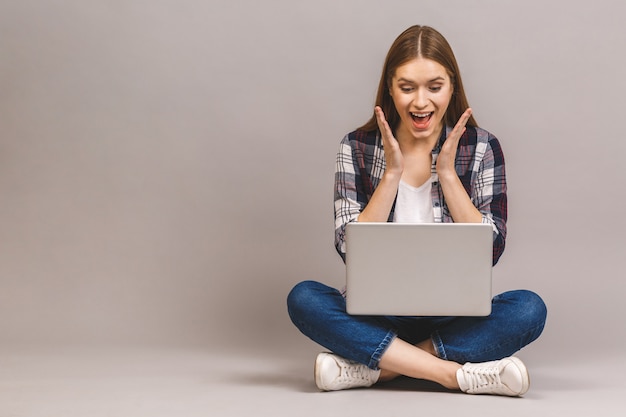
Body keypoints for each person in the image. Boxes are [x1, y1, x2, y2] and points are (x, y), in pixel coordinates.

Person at [286, 25, 547, 397]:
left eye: (434, 87)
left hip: (454, 316)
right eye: (407, 88)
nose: (420, 102)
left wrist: (447, 175)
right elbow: (350, 249)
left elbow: (490, 249)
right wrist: (391, 174)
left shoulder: (482, 147)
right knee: (304, 298)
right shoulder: (357, 147)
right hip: (376, 315)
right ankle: (451, 374)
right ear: (389, 90)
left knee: (528, 309)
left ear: (452, 87)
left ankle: (378, 368)